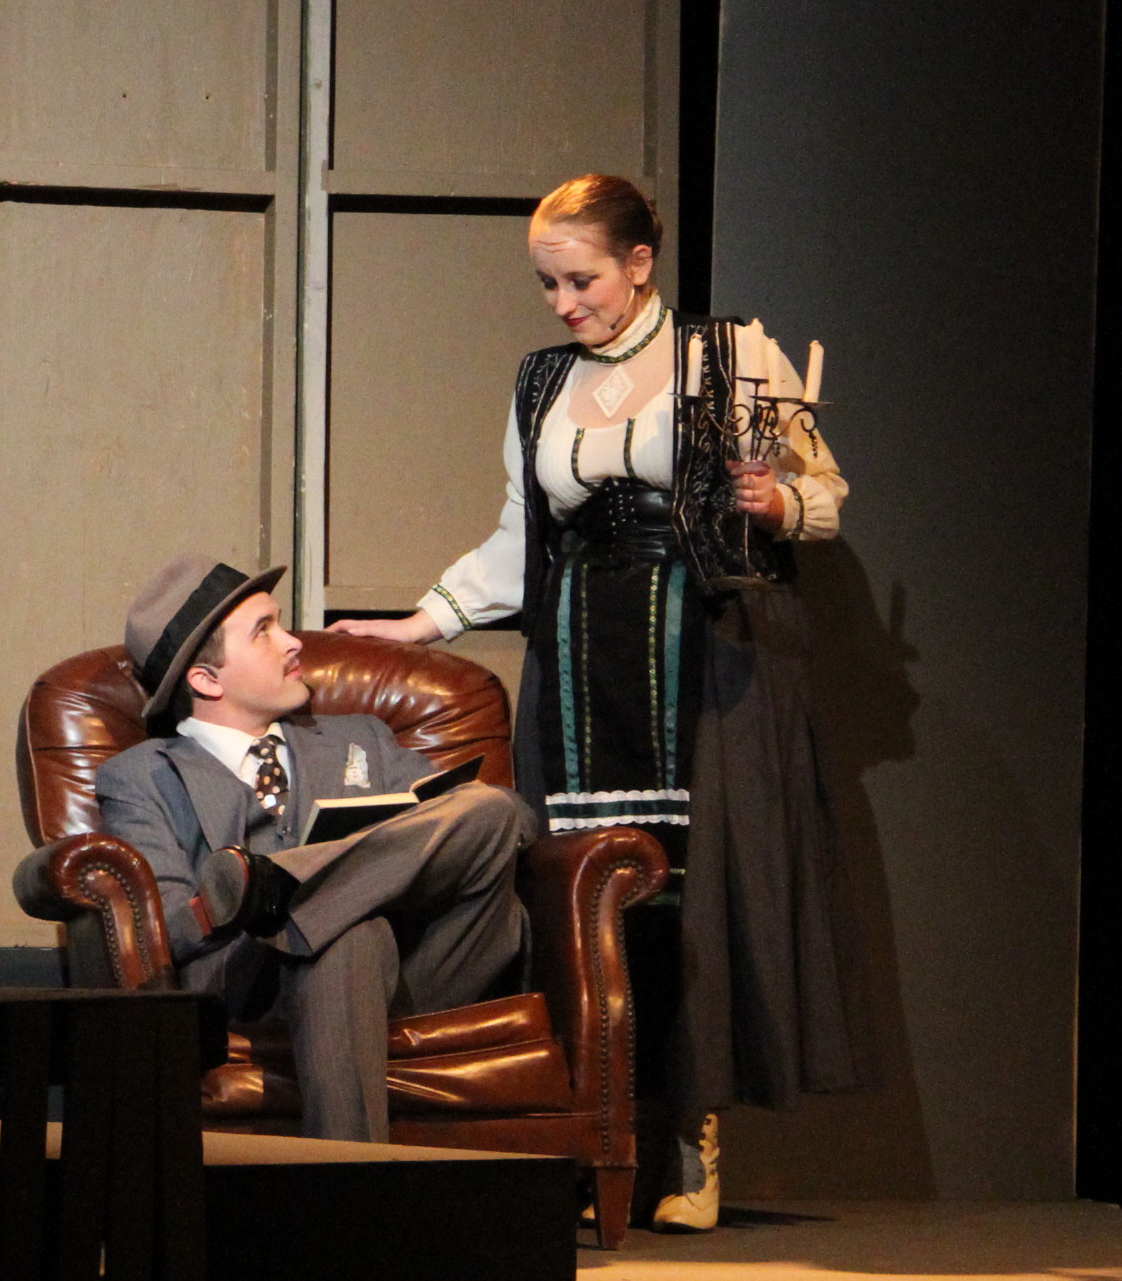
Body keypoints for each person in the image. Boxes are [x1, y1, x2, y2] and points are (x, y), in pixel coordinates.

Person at [331, 174, 864, 1227]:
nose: (563, 303)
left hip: (703, 651)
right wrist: (421, 622)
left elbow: (825, 498)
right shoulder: (542, 381)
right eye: (548, 285)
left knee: (692, 893)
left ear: (639, 263)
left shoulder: (728, 355)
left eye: (581, 280)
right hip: (580, 657)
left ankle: (690, 1140)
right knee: (588, 891)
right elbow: (520, 535)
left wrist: (776, 501)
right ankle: (594, 1134)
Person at [93, 553, 537, 1143]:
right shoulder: (143, 776)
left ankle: (282, 883)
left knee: (490, 808)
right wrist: (229, 908)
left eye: (281, 623)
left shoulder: (362, 738)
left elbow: (510, 826)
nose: (293, 641)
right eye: (264, 631)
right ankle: (348, 1193)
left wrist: (295, 887)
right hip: (258, 988)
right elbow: (168, 928)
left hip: (419, 971)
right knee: (344, 934)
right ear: (206, 680)